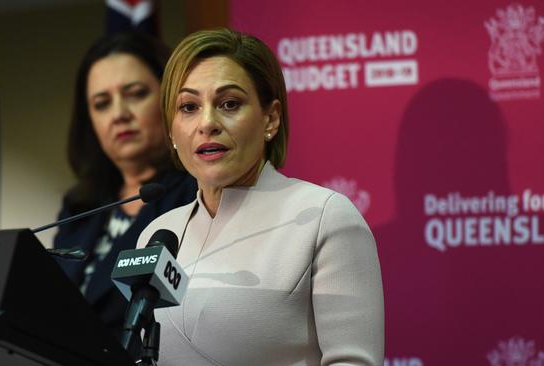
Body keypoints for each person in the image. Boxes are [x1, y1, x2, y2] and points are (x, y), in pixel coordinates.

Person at [137, 28, 384, 365]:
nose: (207, 123)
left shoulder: (324, 216)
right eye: (189, 107)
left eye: (229, 104)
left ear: (271, 118)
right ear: (172, 131)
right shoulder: (157, 235)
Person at [52, 32, 197, 343]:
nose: (119, 114)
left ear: (170, 98)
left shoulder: (198, 194)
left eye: (135, 93)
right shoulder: (79, 206)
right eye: (102, 104)